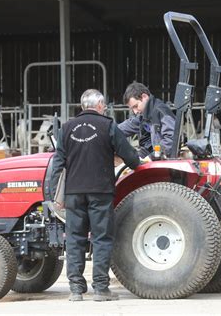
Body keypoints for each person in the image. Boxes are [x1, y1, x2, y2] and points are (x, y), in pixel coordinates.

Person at [50, 89, 140, 302]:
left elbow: (58, 163)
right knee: (101, 239)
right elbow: (129, 155)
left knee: (75, 239)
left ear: (83, 106)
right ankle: (100, 289)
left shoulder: (66, 128)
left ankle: (76, 290)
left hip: (73, 192)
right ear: (99, 105)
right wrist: (136, 163)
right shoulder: (108, 126)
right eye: (104, 106)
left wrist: (55, 195)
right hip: (100, 191)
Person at [118, 82, 176, 158]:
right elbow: (126, 127)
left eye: (136, 106)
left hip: (165, 161)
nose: (135, 111)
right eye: (132, 109)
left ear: (144, 96)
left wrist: (153, 156)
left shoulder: (161, 112)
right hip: (155, 158)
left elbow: (171, 140)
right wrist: (107, 130)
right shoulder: (143, 116)